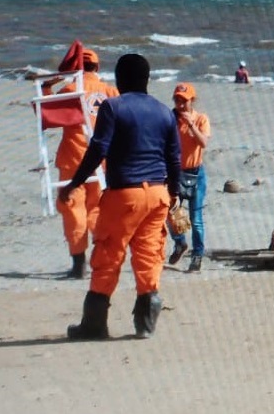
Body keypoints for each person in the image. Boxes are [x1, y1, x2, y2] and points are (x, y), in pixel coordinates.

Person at [59, 53, 181, 340]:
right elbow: (174, 159)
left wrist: (75, 182)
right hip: (158, 194)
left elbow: (98, 149)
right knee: (149, 254)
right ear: (147, 79)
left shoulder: (113, 107)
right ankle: (145, 324)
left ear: (120, 79)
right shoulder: (164, 112)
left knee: (108, 255)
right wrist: (174, 194)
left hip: (124, 194)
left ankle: (94, 325)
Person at [41, 48, 119, 279]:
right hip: (103, 161)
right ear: (97, 67)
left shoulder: (71, 89)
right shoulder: (110, 91)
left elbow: (47, 116)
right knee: (96, 209)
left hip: (73, 160)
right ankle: (103, 257)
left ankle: (78, 265)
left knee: (74, 211)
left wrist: (47, 86)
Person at [168, 82, 211, 272]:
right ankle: (180, 243)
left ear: (192, 100)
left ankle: (197, 256)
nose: (180, 104)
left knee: (196, 218)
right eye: (177, 100)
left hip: (196, 173)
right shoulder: (170, 118)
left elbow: (203, 143)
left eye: (184, 101)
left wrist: (190, 124)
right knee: (172, 213)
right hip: (176, 172)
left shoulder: (201, 118)